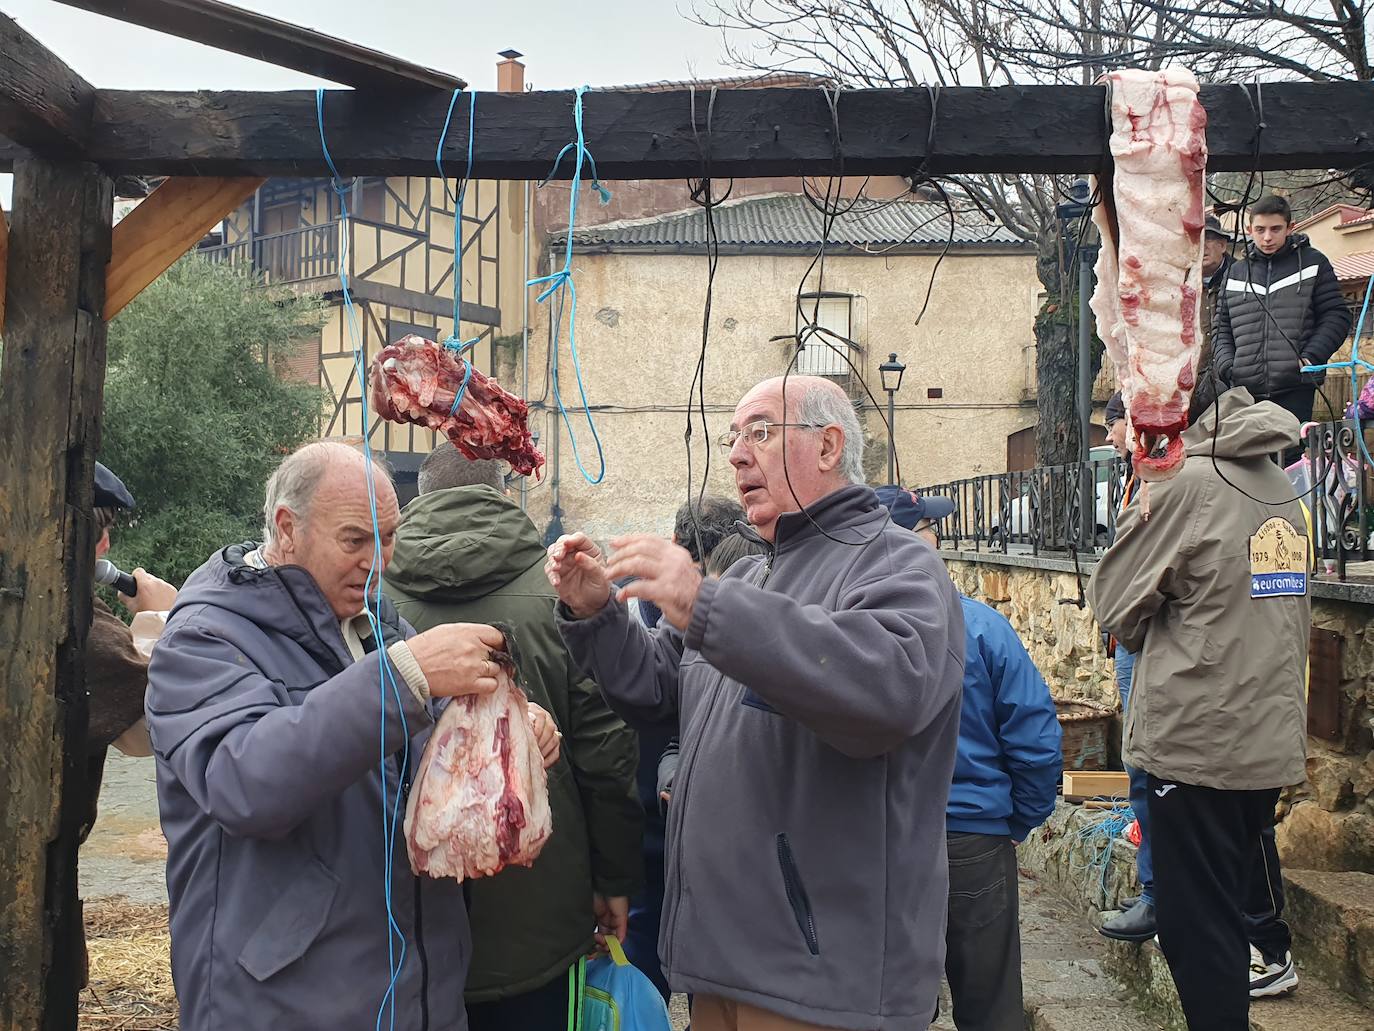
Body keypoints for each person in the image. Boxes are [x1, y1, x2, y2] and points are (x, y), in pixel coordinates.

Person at [546, 376, 966, 1031]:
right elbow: (660, 686)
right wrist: (597, 611)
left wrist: (704, 603)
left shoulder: (898, 564)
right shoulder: (747, 572)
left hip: (819, 982)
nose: (738, 454)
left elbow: (885, 691)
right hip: (722, 962)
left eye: (761, 432)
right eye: (733, 437)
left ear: (829, 446)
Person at [146, 441, 561, 1031]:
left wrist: (511, 734)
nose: (378, 560)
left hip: (417, 995)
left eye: (388, 537)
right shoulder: (206, 638)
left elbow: (432, 752)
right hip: (285, 1002)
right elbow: (243, 783)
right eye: (355, 540)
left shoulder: (378, 624)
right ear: (287, 530)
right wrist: (404, 678)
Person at [383, 445, 643, 1030]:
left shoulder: (369, 592)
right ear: (502, 493)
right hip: (539, 903)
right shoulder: (560, 593)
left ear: (419, 497)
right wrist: (615, 880)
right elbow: (608, 753)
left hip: (409, 910)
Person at [1086, 388, 1310, 1031]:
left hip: (1197, 741)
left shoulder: (1186, 482)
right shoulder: (1280, 486)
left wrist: (1145, 483)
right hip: (1264, 737)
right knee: (1227, 911)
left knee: (1195, 931)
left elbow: (1115, 603)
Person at [877, 485, 1063, 1031]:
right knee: (991, 1006)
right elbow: (1035, 741)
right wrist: (1017, 820)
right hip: (973, 840)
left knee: (891, 1007)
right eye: (931, 529)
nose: (940, 539)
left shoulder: (851, 628)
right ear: (913, 541)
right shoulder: (980, 626)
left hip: (884, 841)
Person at [625, 495, 746, 1000]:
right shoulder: (736, 609)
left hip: (651, 810)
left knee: (649, 942)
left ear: (678, 546)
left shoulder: (650, 611)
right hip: (696, 813)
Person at [1096, 393, 1157, 943]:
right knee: (1140, 761)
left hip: (1140, 639)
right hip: (1128, 638)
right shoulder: (1135, 478)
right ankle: (1156, 888)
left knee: (1145, 761)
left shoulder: (1159, 480)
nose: (1110, 438)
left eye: (1113, 428)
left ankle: (1157, 893)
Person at [1212, 194, 1352, 427]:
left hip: (1296, 386)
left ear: (1290, 227)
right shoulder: (1235, 272)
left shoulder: (1313, 263)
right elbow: (1221, 327)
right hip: (1244, 390)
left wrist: (1311, 357)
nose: (1267, 237)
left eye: (1275, 229)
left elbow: (1336, 316)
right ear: (1249, 229)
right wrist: (1228, 366)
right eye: (1260, 229)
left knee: (1290, 459)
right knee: (1247, 461)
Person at [1192, 213, 1235, 422]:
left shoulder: (1242, 278)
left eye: (1208, 239)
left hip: (1234, 384)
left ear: (1222, 245)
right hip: (1192, 388)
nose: (1204, 247)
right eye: (1198, 240)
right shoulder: (1181, 286)